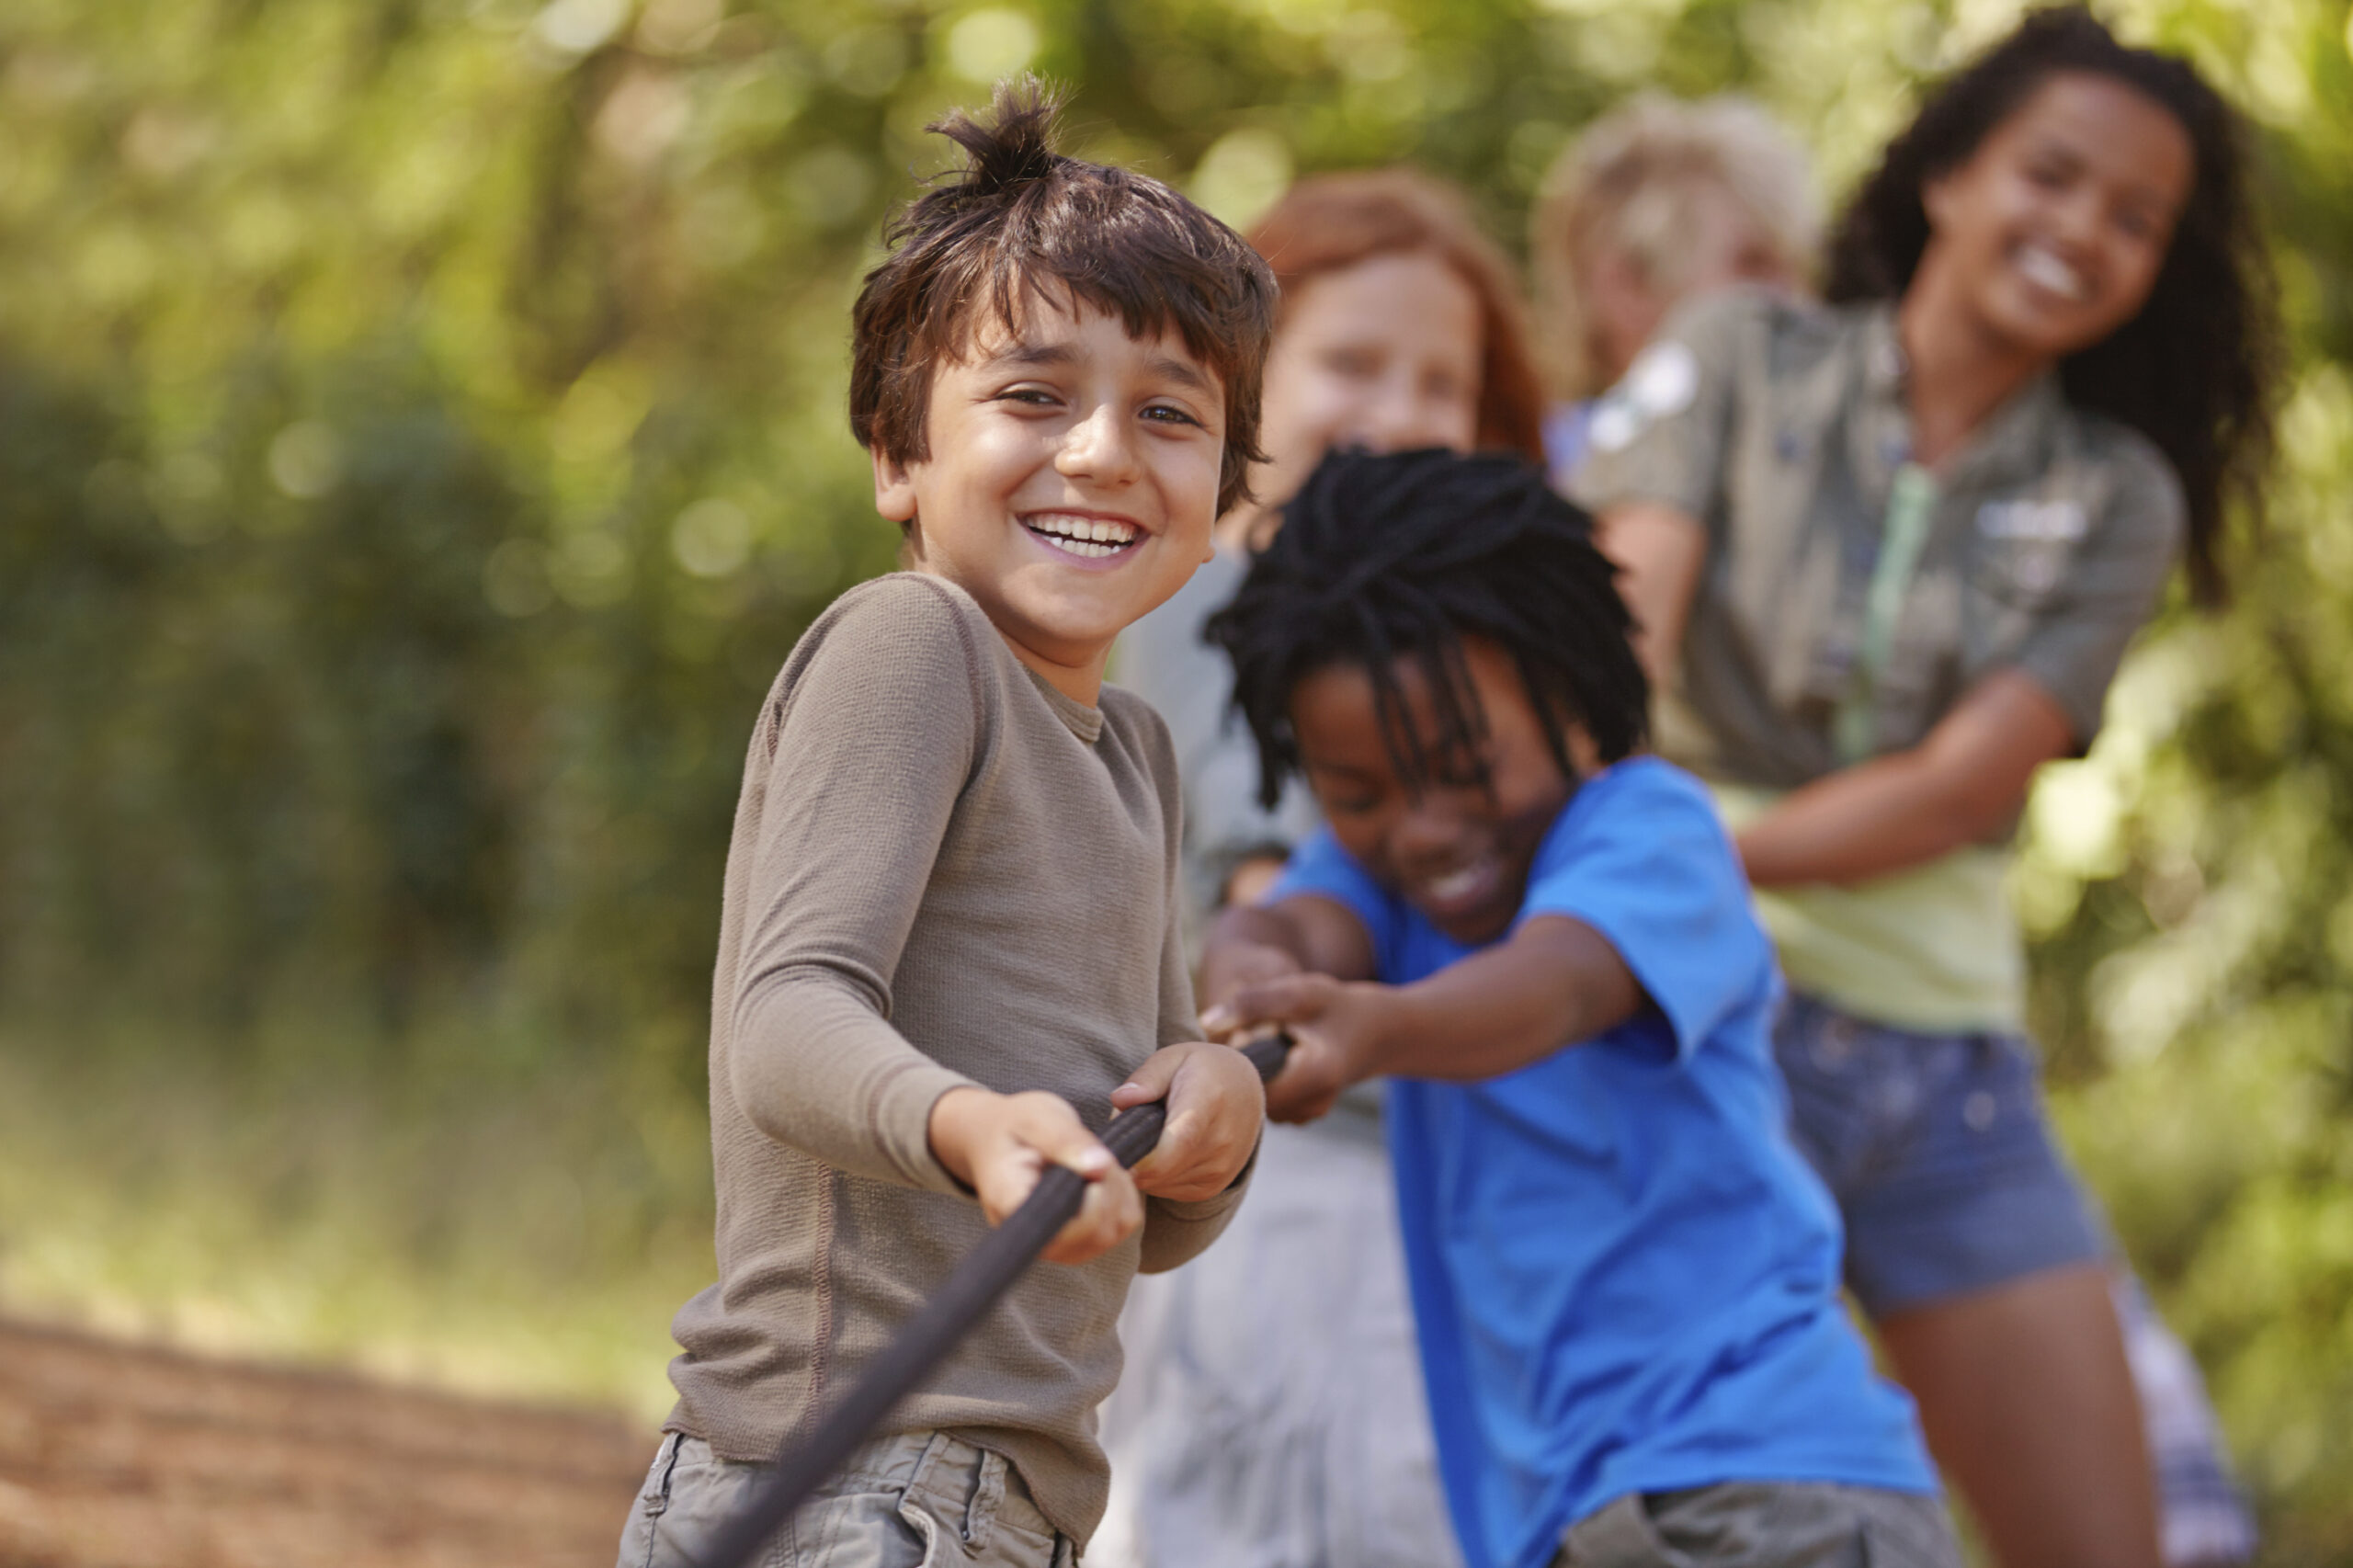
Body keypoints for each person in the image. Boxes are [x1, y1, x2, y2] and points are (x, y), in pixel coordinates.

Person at [1574, 12, 2280, 1568]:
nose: (2082, 230)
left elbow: (1961, 792)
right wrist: (1666, 890)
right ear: (1952, 173)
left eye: (2134, 219)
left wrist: (1698, 839)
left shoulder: (2115, 493)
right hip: (1702, 1027)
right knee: (1664, 1524)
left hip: (1943, 1075)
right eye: (2052, 175)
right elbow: (1610, 651)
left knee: (2114, 1543)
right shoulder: (1736, 357)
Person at [612, 84, 1276, 1568]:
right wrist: (969, 1125)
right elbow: (783, 1022)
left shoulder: (1133, 752)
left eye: (1170, 414)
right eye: (1034, 397)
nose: (1105, 453)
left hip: (989, 1495)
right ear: (897, 452)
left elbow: (1123, 1208)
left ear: (1221, 490)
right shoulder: (914, 646)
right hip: (853, 1474)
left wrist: (1207, 1129)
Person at [1198, 446, 1961, 1568]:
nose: (1422, 829)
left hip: (1761, 1489)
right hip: (1565, 1524)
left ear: (1571, 692)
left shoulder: (1649, 833)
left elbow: (1553, 985)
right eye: (1357, 793)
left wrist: (1373, 1027)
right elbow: (1283, 928)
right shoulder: (1380, 887)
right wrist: (1246, 982)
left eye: (1464, 766)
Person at [1095, 169, 1545, 1568]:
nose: (1397, 410)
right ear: (1246, 382)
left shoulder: (1479, 649)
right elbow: (1267, 893)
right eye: (1351, 363)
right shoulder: (1218, 599)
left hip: (1444, 1179)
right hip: (1284, 1185)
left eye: (1441, 384)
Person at [1529, 93, 1819, 490]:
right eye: (1753, 265)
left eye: (1794, 269)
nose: (1796, 300)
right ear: (1628, 286)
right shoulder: (1540, 477)